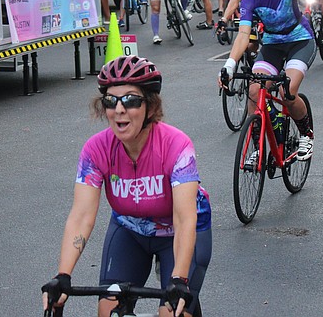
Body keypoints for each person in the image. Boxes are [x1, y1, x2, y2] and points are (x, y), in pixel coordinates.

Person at [41, 56, 212, 317]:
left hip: (178, 232)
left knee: (172, 313)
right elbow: (81, 216)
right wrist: (62, 275)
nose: (119, 109)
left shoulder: (177, 146)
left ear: (150, 107)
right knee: (108, 310)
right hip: (129, 229)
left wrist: (178, 279)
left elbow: (183, 219)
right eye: (111, 100)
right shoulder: (96, 149)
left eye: (131, 100)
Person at [219, 0, 322, 160]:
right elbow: (244, 35)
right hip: (273, 45)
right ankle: (256, 147)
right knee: (255, 91)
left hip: (300, 41)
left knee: (287, 93)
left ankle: (306, 134)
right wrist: (230, 64)